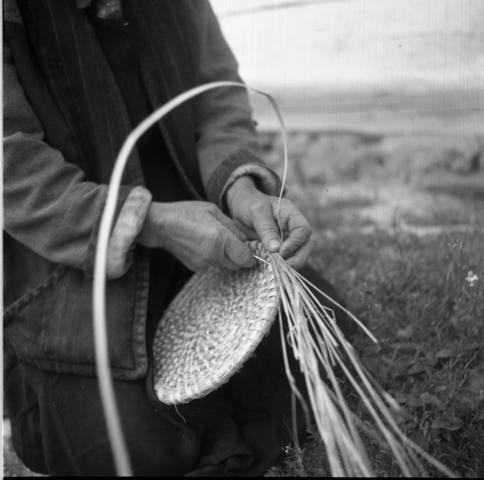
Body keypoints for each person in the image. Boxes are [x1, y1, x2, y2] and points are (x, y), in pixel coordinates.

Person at [3, 0, 353, 475]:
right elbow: (12, 166)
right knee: (141, 447)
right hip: (73, 264)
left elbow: (218, 97)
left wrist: (240, 189)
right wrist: (151, 223)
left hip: (198, 237)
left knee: (319, 343)